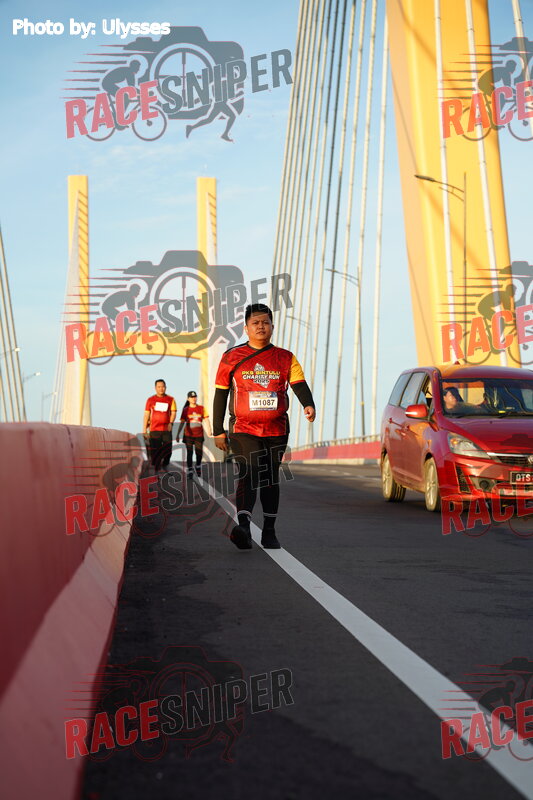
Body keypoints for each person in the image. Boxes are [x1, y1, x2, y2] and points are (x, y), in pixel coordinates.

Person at [213, 303, 316, 550]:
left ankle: (269, 531)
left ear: (272, 326)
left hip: (276, 429)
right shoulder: (231, 357)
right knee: (248, 473)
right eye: (255, 323)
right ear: (246, 328)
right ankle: (244, 527)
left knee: (270, 478)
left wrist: (308, 404)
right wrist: (218, 429)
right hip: (243, 428)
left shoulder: (285, 357)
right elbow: (220, 394)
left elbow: (299, 384)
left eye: (265, 322)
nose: (261, 327)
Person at [176, 390, 212, 478]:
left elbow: (206, 420)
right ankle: (190, 470)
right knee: (190, 453)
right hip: (188, 435)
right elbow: (182, 423)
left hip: (199, 435)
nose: (193, 399)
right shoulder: (186, 410)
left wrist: (209, 430)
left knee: (199, 452)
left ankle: (198, 466)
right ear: (188, 399)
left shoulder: (201, 408)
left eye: (195, 397)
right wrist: (178, 434)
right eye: (191, 397)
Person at [143, 379, 176, 471]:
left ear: (166, 387)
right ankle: (157, 469)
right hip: (154, 429)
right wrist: (144, 430)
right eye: (159, 387)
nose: (161, 389)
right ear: (155, 388)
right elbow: (146, 415)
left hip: (166, 429)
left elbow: (173, 413)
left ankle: (165, 464)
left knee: (168, 450)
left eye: (163, 387)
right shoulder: (150, 400)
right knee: (155, 451)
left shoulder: (171, 399)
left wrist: (171, 423)